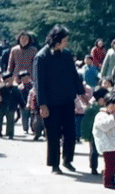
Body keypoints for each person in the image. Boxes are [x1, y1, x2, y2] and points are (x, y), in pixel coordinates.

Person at [33, 26, 85, 174]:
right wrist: (42, 104)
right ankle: (54, 164)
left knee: (70, 132)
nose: (67, 43)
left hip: (67, 100)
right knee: (53, 134)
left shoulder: (67, 54)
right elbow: (39, 83)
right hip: (51, 103)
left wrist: (81, 93)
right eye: (65, 40)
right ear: (57, 40)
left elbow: (74, 76)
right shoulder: (41, 57)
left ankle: (67, 160)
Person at [92, 93, 115, 189]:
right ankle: (108, 181)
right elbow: (104, 126)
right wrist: (112, 117)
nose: (114, 108)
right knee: (111, 164)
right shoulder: (101, 115)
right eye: (112, 105)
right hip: (108, 145)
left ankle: (109, 175)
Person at [81, 87, 109, 175]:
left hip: (102, 133)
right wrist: (87, 135)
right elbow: (87, 124)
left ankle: (105, 168)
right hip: (94, 134)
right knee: (94, 151)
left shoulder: (100, 108)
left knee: (104, 151)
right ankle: (94, 167)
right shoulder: (93, 109)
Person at [0, 71, 24, 139]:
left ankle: (10, 134)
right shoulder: (2, 87)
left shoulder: (15, 88)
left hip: (11, 107)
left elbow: (19, 97)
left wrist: (23, 105)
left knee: (10, 122)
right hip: (1, 106)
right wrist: (5, 85)